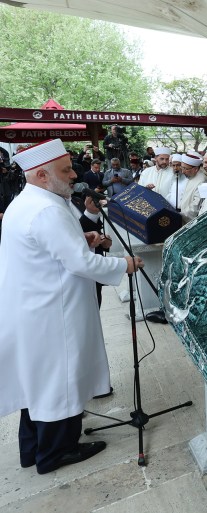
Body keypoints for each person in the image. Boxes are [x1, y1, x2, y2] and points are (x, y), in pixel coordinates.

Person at [0, 139, 143, 475]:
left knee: (38, 381)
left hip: (34, 307)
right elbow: (79, 264)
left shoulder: (29, 202)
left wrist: (84, 239)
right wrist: (124, 265)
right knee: (59, 380)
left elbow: (55, 249)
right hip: (52, 312)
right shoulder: (48, 209)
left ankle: (32, 448)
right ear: (41, 175)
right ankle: (56, 452)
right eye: (65, 171)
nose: (74, 175)